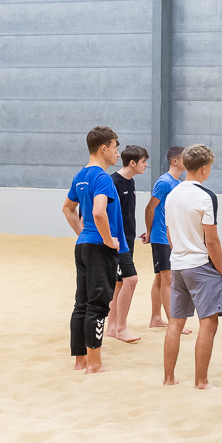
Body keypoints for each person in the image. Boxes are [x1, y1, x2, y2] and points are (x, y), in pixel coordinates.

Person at [62, 126, 128, 374]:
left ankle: (81, 361)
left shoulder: (80, 175)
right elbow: (99, 212)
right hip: (99, 247)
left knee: (82, 303)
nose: (116, 152)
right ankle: (95, 364)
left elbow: (68, 209)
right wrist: (109, 240)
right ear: (104, 148)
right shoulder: (103, 178)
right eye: (115, 147)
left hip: (84, 246)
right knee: (98, 305)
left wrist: (83, 235)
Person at [162, 144, 222, 389]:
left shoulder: (172, 194)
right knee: (208, 323)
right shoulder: (205, 195)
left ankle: (169, 378)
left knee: (175, 323)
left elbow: (169, 233)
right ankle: (201, 381)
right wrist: (219, 269)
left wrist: (179, 253)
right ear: (204, 168)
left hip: (178, 263)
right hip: (201, 264)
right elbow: (212, 239)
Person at [108, 144, 148, 343]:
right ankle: (121, 328)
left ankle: (112, 326)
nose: (146, 165)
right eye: (143, 162)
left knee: (119, 283)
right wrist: (112, 240)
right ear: (132, 163)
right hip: (117, 243)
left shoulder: (130, 182)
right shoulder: (113, 182)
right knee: (131, 280)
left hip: (128, 239)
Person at [145, 146, 186, 331]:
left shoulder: (178, 183)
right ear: (175, 161)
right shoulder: (164, 182)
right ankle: (172, 322)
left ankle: (155, 318)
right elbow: (150, 208)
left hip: (170, 237)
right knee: (168, 279)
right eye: (185, 158)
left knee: (161, 279)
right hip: (161, 237)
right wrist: (149, 232)